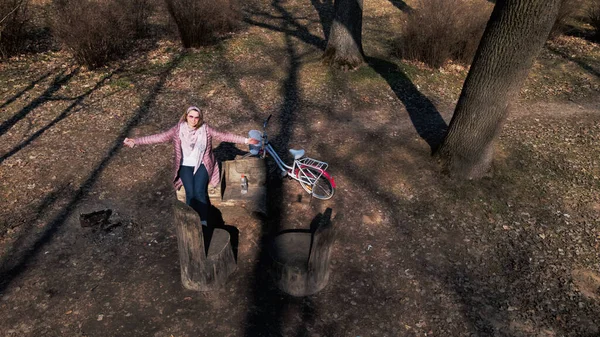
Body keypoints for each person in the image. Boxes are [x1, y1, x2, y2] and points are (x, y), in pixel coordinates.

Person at [123, 106, 259, 226]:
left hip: (202, 164)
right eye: (191, 116)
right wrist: (136, 141)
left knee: (199, 191)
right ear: (186, 116)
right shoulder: (178, 130)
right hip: (184, 165)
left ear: (200, 118)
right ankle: (190, 222)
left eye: (196, 117)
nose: (193, 120)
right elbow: (159, 137)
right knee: (190, 193)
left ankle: (204, 222)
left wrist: (246, 140)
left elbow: (225, 136)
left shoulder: (205, 129)